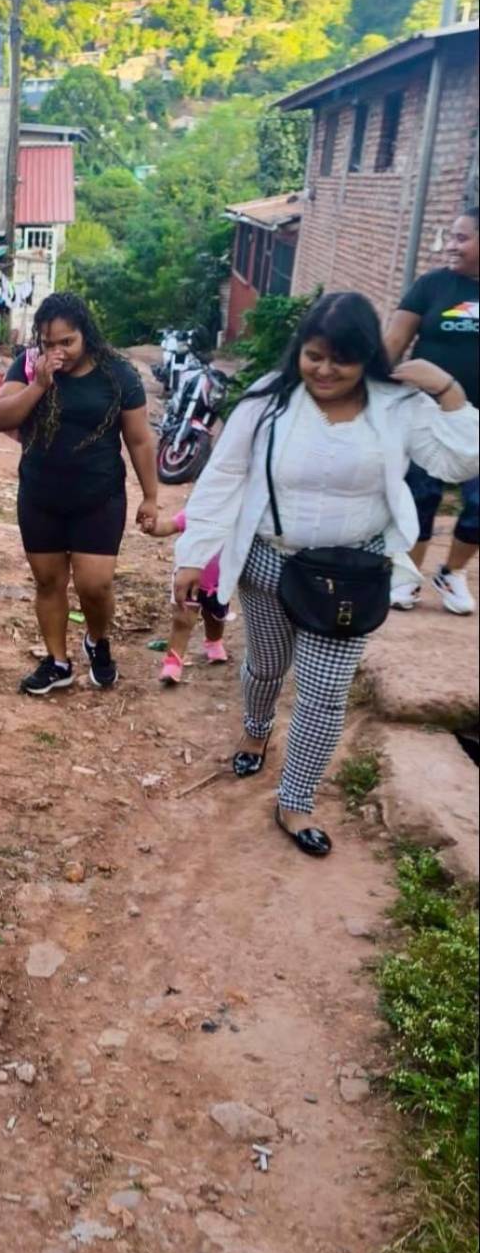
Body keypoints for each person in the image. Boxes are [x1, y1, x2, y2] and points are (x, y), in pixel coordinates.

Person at [174, 291, 478, 858]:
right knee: (265, 666)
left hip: (350, 575)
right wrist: (195, 555)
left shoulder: (398, 407)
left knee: (325, 693)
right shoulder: (267, 401)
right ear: (300, 352)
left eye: (342, 359)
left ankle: (296, 799)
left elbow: (461, 461)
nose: (325, 369)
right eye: (314, 355)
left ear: (368, 358)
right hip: (267, 562)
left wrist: (447, 389)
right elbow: (223, 478)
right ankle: (256, 729)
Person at [0, 291, 158, 693]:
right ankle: (58, 662)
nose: (58, 351)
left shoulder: (118, 374)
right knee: (48, 582)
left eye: (67, 342)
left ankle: (98, 642)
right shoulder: (30, 366)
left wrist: (151, 496)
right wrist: (38, 386)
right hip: (41, 495)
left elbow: (138, 439)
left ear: (86, 335)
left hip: (98, 496)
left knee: (94, 585)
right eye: (49, 343)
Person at [385, 207, 480, 615]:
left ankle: (452, 572)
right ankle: (409, 574)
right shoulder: (432, 286)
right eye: (451, 236)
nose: (451, 247)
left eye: (462, 238)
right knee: (421, 495)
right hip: (427, 412)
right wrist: (374, 385)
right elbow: (395, 339)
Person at [144, 508, 228, 683]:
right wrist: (153, 527)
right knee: (183, 620)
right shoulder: (194, 513)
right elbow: (168, 526)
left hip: (219, 584)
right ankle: (172, 662)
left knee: (215, 617)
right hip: (188, 579)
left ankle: (214, 641)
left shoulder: (234, 517)